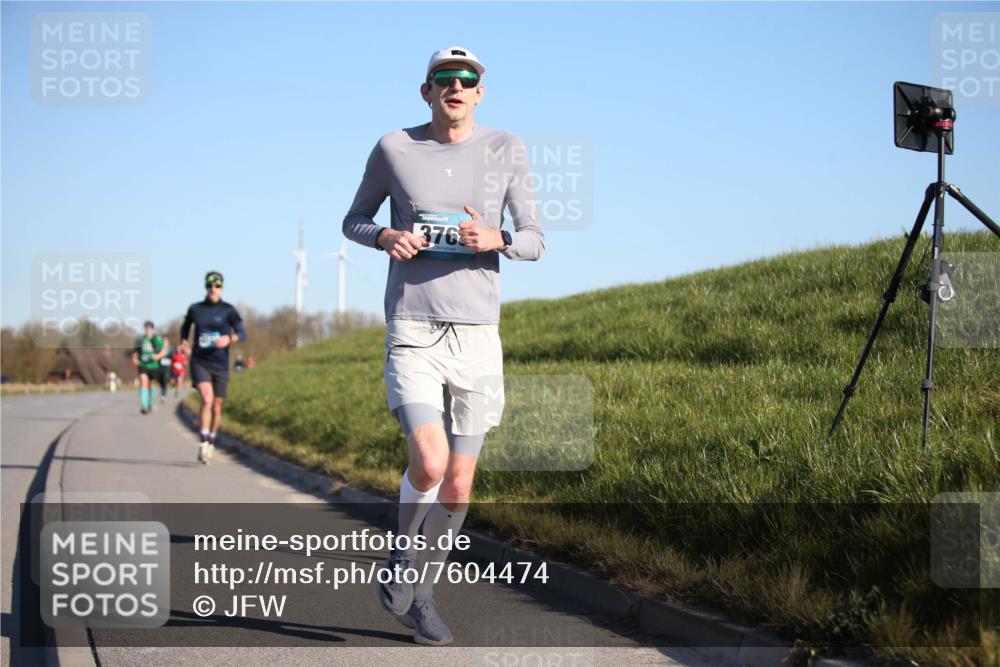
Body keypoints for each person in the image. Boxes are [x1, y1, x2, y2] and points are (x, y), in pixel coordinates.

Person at [342, 45, 544, 645]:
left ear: (480, 92)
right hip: (414, 328)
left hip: (478, 336)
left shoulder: (507, 148)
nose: (455, 86)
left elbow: (536, 239)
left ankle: (420, 595)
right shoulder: (393, 148)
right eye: (443, 79)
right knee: (428, 460)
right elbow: (352, 219)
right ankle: (405, 559)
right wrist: (383, 237)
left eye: (467, 80)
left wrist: (499, 237)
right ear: (426, 91)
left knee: (458, 483)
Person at [177, 271, 247, 464]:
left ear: (221, 288)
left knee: (217, 406)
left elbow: (242, 333)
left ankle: (211, 439)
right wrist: (183, 342)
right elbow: (185, 326)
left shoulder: (228, 310)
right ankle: (203, 441)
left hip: (221, 364)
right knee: (207, 399)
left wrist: (230, 338)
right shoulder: (196, 309)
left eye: (216, 286)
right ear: (205, 287)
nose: (213, 289)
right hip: (200, 361)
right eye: (209, 286)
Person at [131, 320, 167, 414]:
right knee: (143, 381)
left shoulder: (157, 339)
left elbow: (164, 351)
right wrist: (135, 360)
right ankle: (144, 405)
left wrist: (157, 356)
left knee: (151, 384)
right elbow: (135, 352)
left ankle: (150, 403)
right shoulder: (140, 339)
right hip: (143, 365)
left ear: (152, 329)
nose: (148, 330)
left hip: (154, 365)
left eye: (150, 328)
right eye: (146, 328)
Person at [157, 334, 173, 402]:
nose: (164, 341)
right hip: (160, 367)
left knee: (165, 379)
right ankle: (162, 391)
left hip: (167, 367)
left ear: (168, 341)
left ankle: (164, 395)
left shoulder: (170, 348)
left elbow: (170, 356)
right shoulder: (158, 348)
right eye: (163, 340)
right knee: (160, 381)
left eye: (166, 340)